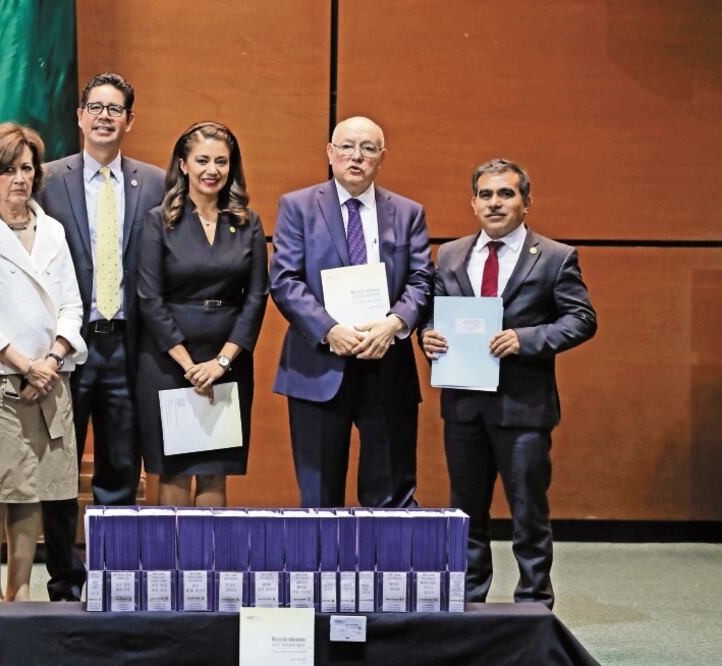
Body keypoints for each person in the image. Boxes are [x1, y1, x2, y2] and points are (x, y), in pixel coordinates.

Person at [421, 159, 597, 609]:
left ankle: (534, 604)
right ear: (473, 203)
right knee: (466, 513)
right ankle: (468, 601)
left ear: (526, 202)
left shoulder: (555, 257)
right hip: (464, 407)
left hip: (524, 408)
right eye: (486, 195)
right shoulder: (451, 254)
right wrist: (428, 335)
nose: (495, 203)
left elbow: (581, 319)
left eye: (506, 194)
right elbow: (432, 314)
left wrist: (526, 339)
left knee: (528, 513)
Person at [35, 72, 165, 600]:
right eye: (96, 107)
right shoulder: (47, 179)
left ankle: (114, 579)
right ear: (80, 116)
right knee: (60, 469)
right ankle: (64, 581)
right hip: (66, 346)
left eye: (115, 109)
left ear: (130, 120)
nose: (105, 117)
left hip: (127, 347)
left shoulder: (156, 183)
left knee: (120, 469)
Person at [0, 123, 87, 616]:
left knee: (34, 488)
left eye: (26, 168)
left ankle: (21, 591)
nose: (19, 178)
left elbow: (73, 305)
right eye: (8, 170)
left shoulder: (52, 230)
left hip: (51, 378)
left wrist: (50, 360)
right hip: (0, 380)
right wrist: (23, 364)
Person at [269, 116, 433, 509]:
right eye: (346, 147)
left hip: (386, 363)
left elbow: (422, 279)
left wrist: (395, 324)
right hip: (318, 365)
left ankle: (387, 555)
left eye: (368, 148)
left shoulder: (408, 212)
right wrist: (329, 329)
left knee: (391, 496)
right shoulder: (298, 206)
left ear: (382, 157)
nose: (356, 156)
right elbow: (285, 279)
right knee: (319, 498)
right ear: (330, 152)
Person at [135, 121, 267, 505]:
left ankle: (209, 550)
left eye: (221, 162)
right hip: (169, 360)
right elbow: (149, 298)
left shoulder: (247, 222)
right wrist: (190, 365)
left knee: (214, 472)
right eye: (203, 160)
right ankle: (171, 550)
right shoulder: (158, 220)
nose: (212, 170)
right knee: (175, 471)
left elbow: (256, 298)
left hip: (228, 359)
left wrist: (222, 362)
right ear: (183, 164)